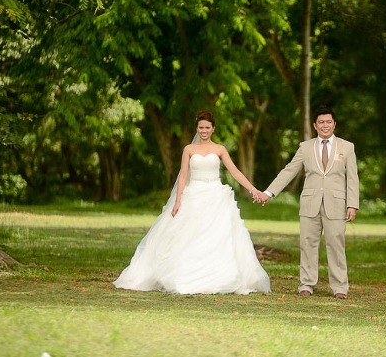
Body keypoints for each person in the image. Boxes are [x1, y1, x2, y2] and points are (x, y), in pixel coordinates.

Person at [113, 110, 271, 295]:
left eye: (207, 127)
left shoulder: (219, 149)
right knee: (188, 235)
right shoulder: (189, 149)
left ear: (213, 129)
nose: (204, 131)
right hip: (193, 194)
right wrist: (178, 199)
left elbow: (235, 172)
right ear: (197, 128)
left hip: (215, 196)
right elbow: (183, 176)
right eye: (201, 127)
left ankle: (217, 275)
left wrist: (254, 190)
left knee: (217, 236)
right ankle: (184, 273)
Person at [259, 106, 359, 299]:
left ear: (334, 124)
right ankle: (306, 283)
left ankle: (340, 288)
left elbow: (352, 178)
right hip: (310, 204)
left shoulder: (347, 147)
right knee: (307, 244)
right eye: (321, 122)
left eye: (328, 122)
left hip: (336, 204)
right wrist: (269, 192)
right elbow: (289, 170)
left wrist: (352, 204)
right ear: (315, 125)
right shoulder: (305, 147)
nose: (325, 125)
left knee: (336, 245)